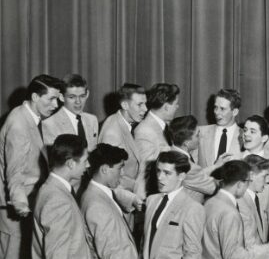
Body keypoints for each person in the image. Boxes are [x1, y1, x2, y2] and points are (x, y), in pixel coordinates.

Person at [0, 74, 62, 259]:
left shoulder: (31, 118)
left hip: (27, 203)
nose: (56, 104)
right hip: (15, 207)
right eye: (51, 98)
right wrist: (20, 204)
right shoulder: (18, 123)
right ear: (35, 97)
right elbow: (13, 172)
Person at [97, 83, 148, 218]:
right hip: (117, 206)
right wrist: (132, 199)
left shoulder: (124, 123)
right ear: (125, 105)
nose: (145, 109)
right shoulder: (112, 133)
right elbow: (110, 177)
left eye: (145, 104)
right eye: (140, 105)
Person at [135, 83, 180, 198]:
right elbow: (145, 172)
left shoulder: (164, 126)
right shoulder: (145, 130)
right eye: (175, 104)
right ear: (166, 107)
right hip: (151, 198)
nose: (177, 107)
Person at [42, 74, 99, 154]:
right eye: (72, 97)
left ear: (87, 94)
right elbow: (54, 163)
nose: (78, 102)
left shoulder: (92, 120)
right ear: (61, 97)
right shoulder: (49, 125)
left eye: (82, 96)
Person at [168, 115, 219, 203]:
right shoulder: (186, 165)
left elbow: (196, 176)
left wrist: (215, 166)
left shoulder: (170, 153)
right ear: (186, 143)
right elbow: (212, 187)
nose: (200, 138)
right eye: (197, 135)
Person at [196, 88, 240, 170]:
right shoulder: (200, 132)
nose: (216, 112)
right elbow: (192, 173)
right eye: (215, 107)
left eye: (222, 109)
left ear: (235, 112)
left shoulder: (245, 137)